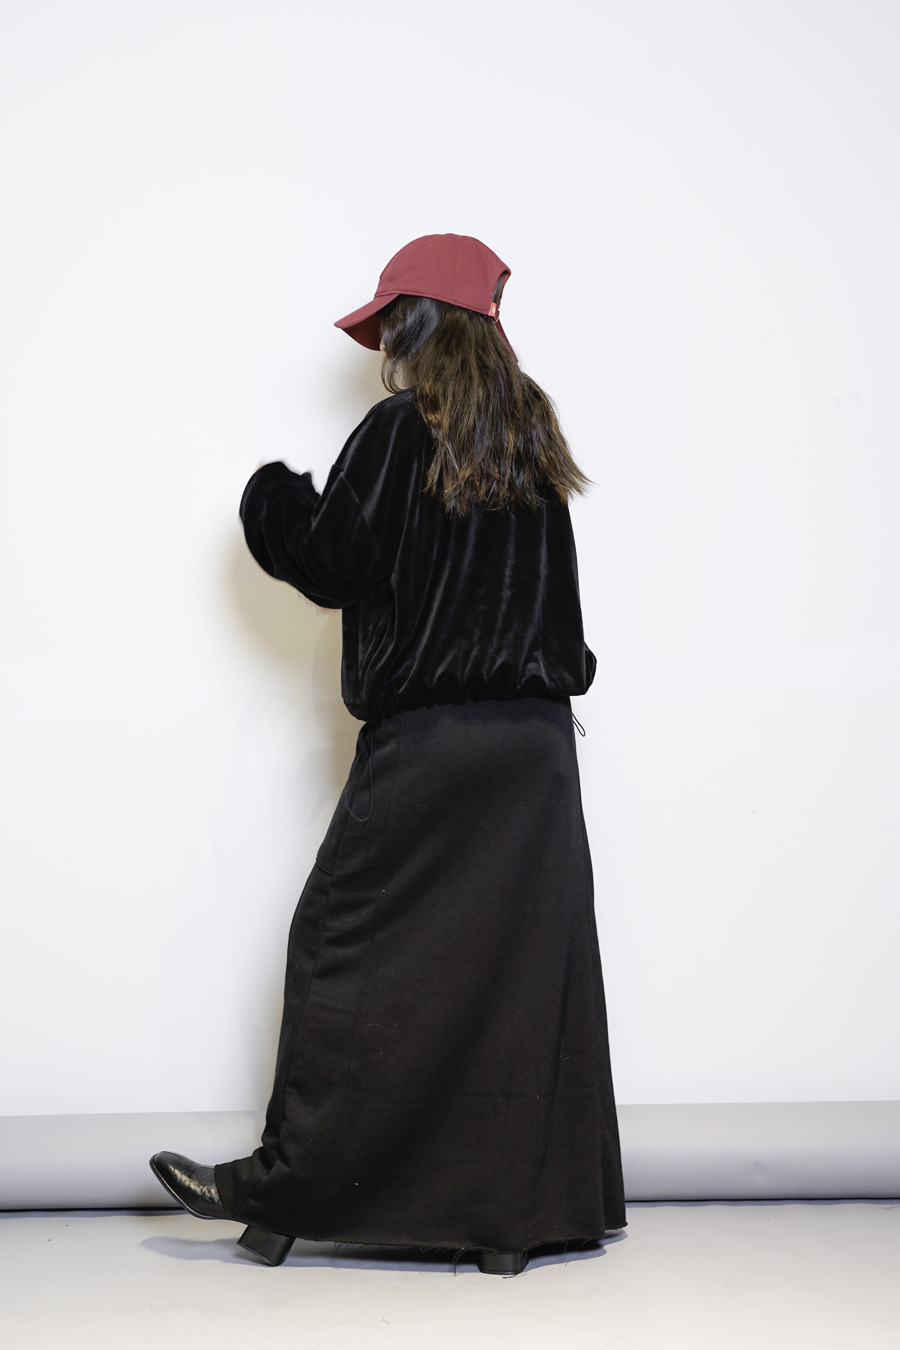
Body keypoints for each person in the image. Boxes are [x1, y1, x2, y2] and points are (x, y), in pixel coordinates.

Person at [150, 233, 627, 1278]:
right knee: (511, 979)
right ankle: (508, 1223)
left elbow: (332, 565)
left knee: (341, 951)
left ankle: (281, 1191)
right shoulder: (532, 436)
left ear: (414, 323)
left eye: (390, 326)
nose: (385, 349)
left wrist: (270, 497)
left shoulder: (402, 430)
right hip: (537, 757)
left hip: (433, 747)